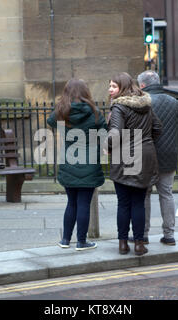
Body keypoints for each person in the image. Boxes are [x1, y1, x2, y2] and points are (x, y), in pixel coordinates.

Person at [47, 79, 107, 251]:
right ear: (86, 92)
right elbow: (104, 134)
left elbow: (50, 122)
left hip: (69, 162)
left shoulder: (61, 111)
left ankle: (65, 240)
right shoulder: (94, 112)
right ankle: (81, 242)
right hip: (89, 164)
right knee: (83, 204)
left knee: (71, 202)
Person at [107, 72, 162, 256]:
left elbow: (115, 134)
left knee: (123, 203)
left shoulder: (119, 107)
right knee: (138, 203)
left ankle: (123, 244)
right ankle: (139, 244)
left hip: (123, 157)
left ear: (122, 87)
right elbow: (158, 128)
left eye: (113, 86)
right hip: (145, 156)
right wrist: (146, 142)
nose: (109, 89)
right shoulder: (146, 105)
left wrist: (106, 147)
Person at [136, 70, 178, 246]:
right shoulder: (174, 101)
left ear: (142, 85)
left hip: (147, 156)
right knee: (167, 194)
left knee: (144, 195)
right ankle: (169, 235)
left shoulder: (143, 102)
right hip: (169, 154)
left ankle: (143, 234)